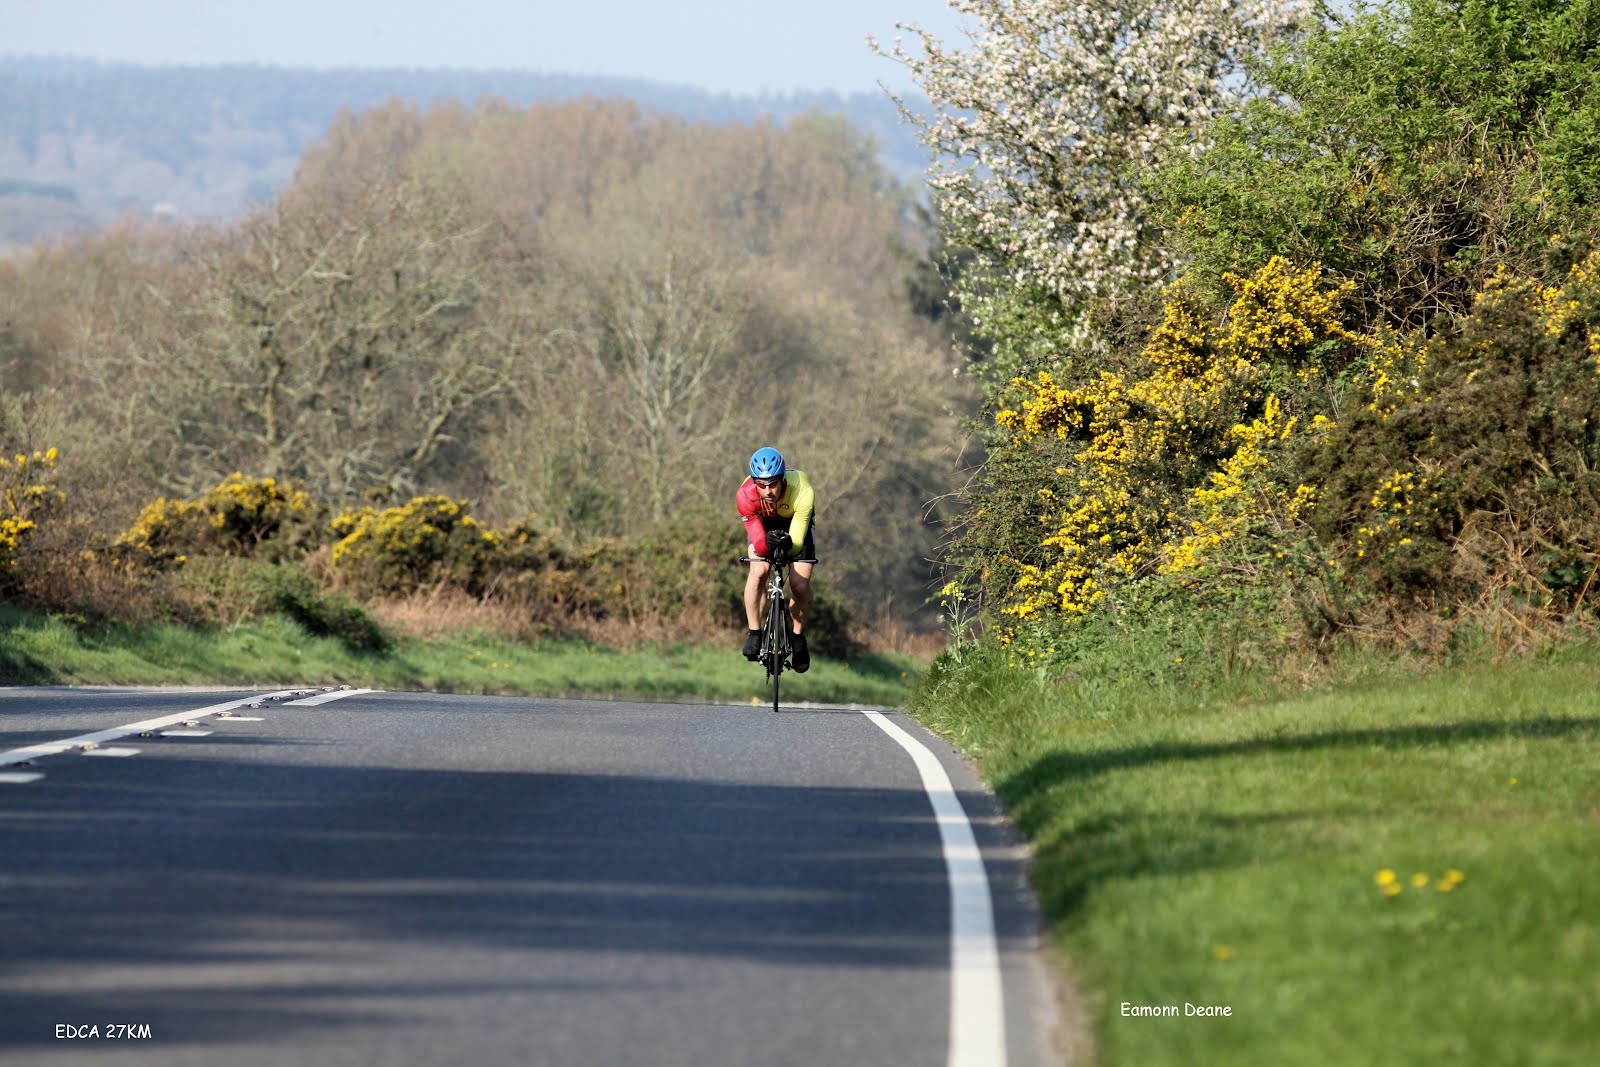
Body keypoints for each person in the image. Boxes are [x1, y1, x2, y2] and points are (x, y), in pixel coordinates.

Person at [736, 446, 816, 672]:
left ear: (781, 479)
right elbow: (758, 543)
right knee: (759, 570)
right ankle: (754, 633)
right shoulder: (744, 495)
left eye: (773, 483)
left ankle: (798, 638)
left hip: (796, 526)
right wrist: (767, 544)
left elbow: (798, 541)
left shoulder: (802, 489)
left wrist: (789, 545)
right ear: (754, 482)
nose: (768, 490)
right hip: (763, 526)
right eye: (762, 484)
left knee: (799, 586)